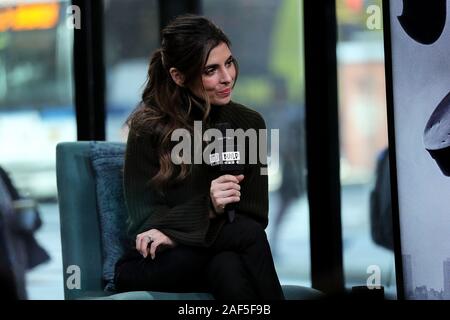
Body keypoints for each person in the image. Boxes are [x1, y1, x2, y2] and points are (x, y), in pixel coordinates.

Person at [113, 14, 284, 300]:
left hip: (216, 250)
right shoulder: (149, 127)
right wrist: (208, 206)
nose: (226, 77)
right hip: (164, 261)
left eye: (229, 63)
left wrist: (174, 231)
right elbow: (145, 221)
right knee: (243, 241)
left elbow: (255, 213)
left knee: (228, 266)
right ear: (179, 76)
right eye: (211, 70)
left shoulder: (250, 123)